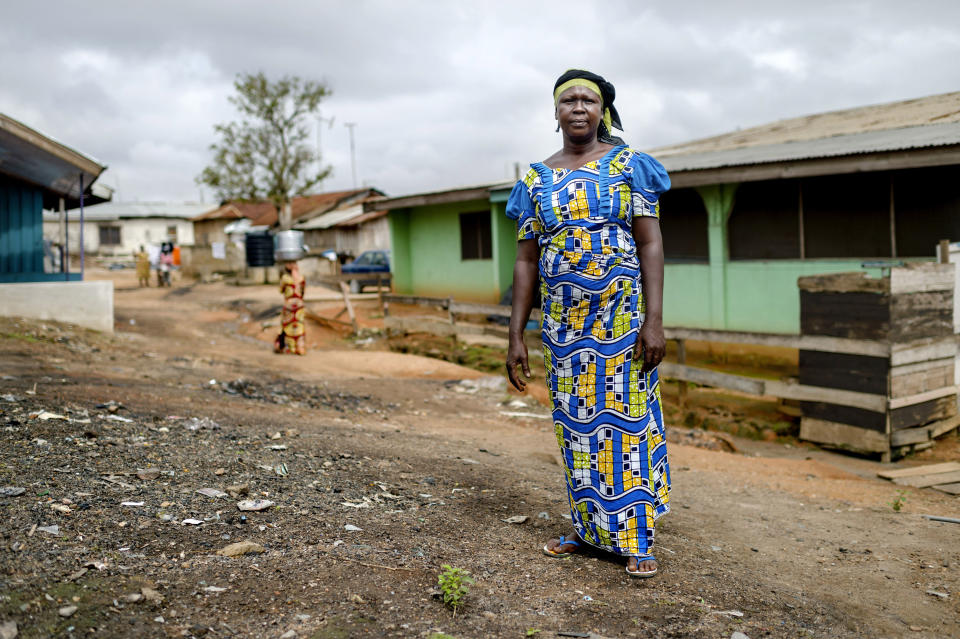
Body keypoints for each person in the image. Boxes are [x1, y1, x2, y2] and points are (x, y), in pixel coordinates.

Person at [505, 69, 672, 579]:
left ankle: (635, 538)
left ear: (603, 111)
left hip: (621, 323)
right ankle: (588, 529)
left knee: (625, 425)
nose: (578, 108)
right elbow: (526, 262)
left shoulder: (628, 166)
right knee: (577, 429)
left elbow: (650, 243)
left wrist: (655, 320)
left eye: (589, 101)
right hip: (563, 329)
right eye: (568, 100)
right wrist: (516, 334)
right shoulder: (536, 179)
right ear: (555, 112)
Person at [275, 261, 306, 355]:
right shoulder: (302, 278)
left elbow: (281, 290)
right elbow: (303, 292)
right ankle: (299, 347)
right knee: (299, 326)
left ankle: (288, 347)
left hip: (289, 306)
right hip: (299, 306)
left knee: (287, 326)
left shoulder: (285, 278)